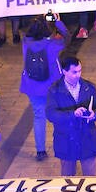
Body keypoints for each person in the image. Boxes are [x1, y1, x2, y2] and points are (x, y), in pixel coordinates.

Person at [19, 14, 71, 160]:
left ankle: (40, 151)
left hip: (33, 87)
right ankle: (63, 145)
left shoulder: (25, 43)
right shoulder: (54, 44)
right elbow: (68, 37)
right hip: (53, 87)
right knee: (59, 114)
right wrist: (58, 22)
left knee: (38, 116)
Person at [45, 53, 96, 175]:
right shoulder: (55, 90)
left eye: (79, 71)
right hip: (67, 140)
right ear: (64, 72)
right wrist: (73, 114)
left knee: (90, 180)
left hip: (87, 139)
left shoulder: (89, 87)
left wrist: (95, 114)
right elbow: (51, 114)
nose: (78, 75)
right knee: (68, 179)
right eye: (74, 72)